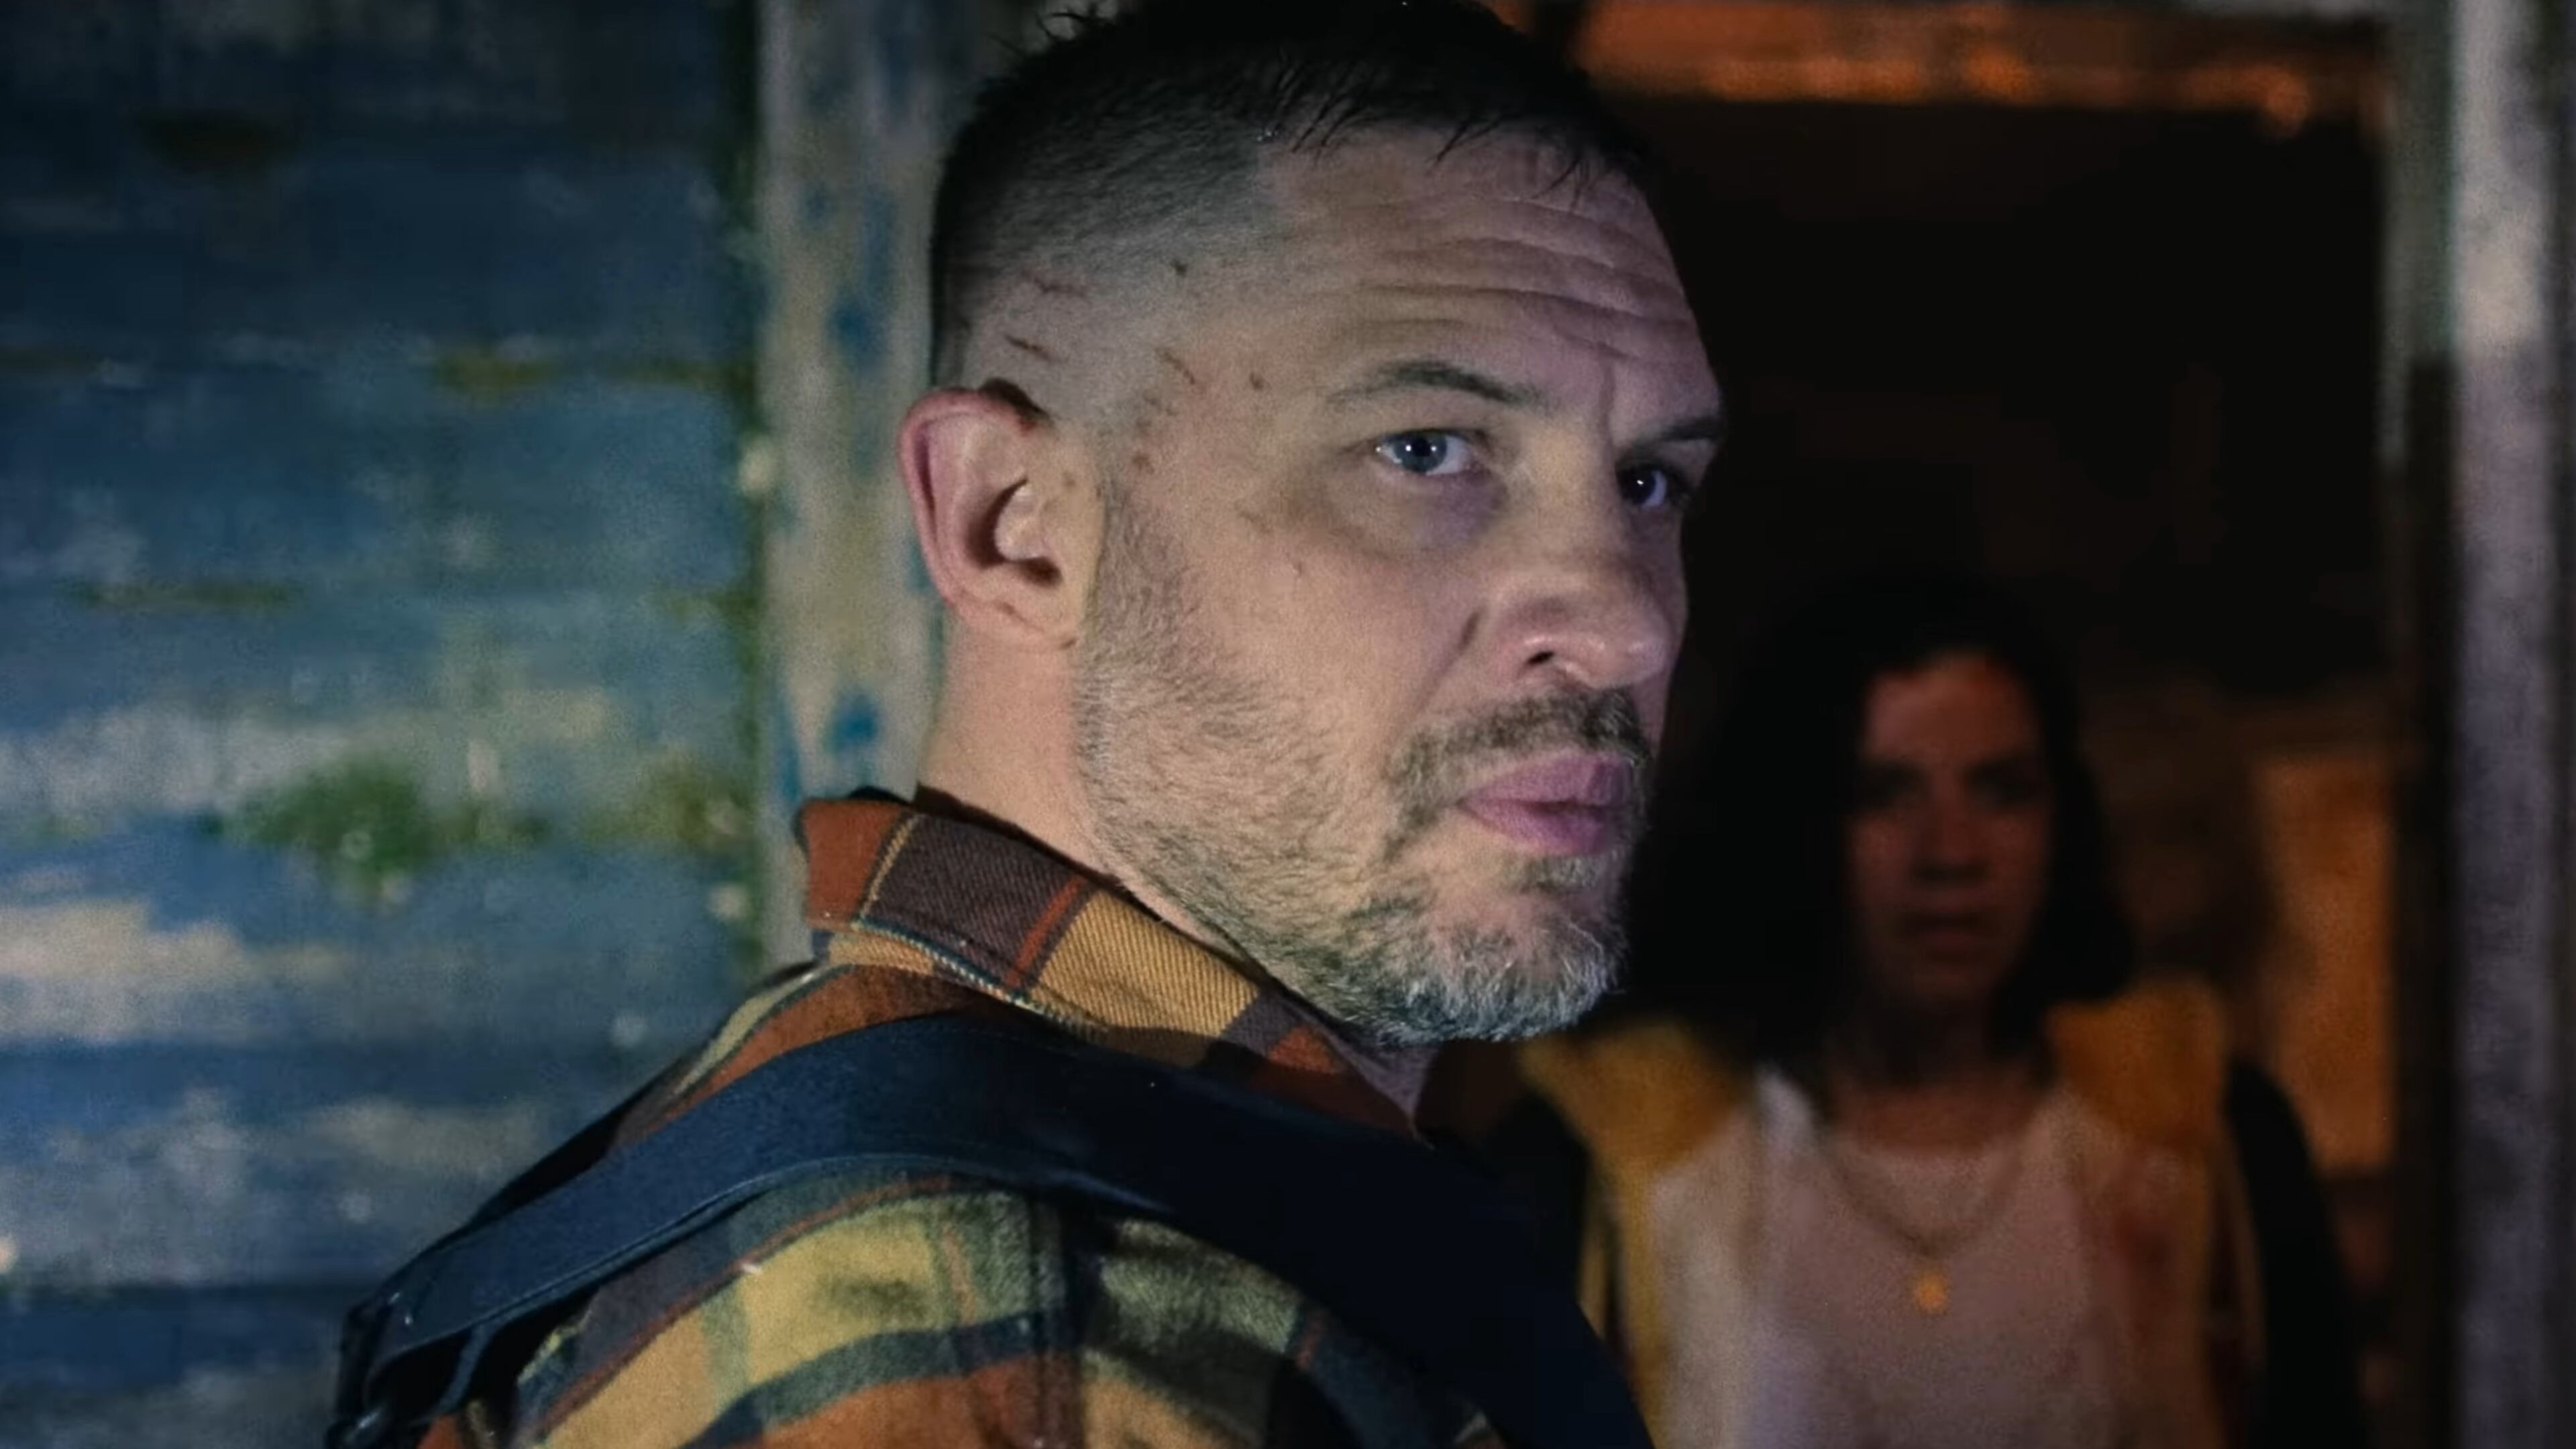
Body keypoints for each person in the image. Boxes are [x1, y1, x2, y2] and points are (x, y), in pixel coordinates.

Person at [400, 3, 1725, 1446]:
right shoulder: (1032, 1375)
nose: (1630, 628)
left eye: (1649, 481)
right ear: (1011, 524)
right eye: (1425, 451)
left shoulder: (1038, 1146)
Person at [1514, 578, 2365, 1449]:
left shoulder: (2196, 1143)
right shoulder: (1625, 1166)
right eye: (1885, 795)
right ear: (1799, 822)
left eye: (2002, 791)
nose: (1952, 854)